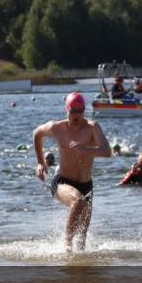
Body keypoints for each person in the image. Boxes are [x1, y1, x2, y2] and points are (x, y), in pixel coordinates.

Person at [33, 92, 111, 251]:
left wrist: (86, 149)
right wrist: (40, 163)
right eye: (73, 111)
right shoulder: (57, 127)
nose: (76, 115)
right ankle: (65, 245)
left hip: (86, 184)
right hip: (62, 181)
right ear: (66, 109)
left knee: (82, 239)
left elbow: (107, 151)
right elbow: (37, 134)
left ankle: (79, 268)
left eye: (80, 110)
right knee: (78, 202)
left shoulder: (92, 127)